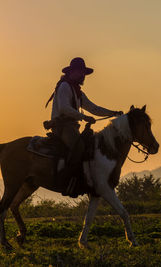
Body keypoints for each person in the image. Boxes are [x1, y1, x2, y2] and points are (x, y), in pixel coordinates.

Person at [45, 57, 122, 196]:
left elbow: (94, 108)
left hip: (72, 127)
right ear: (73, 72)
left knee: (90, 145)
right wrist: (84, 117)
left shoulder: (77, 91)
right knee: (79, 147)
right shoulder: (64, 86)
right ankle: (67, 180)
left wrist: (112, 113)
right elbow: (64, 109)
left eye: (84, 74)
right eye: (81, 73)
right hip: (62, 127)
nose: (83, 76)